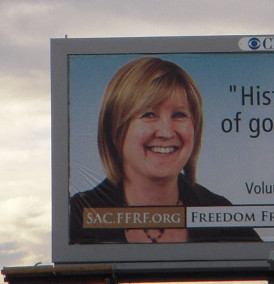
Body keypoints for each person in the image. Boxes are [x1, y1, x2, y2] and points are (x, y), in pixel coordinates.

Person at [69, 57, 260, 244]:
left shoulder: (222, 216)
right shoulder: (79, 214)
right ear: (115, 129)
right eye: (149, 114)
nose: (166, 132)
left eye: (179, 115)